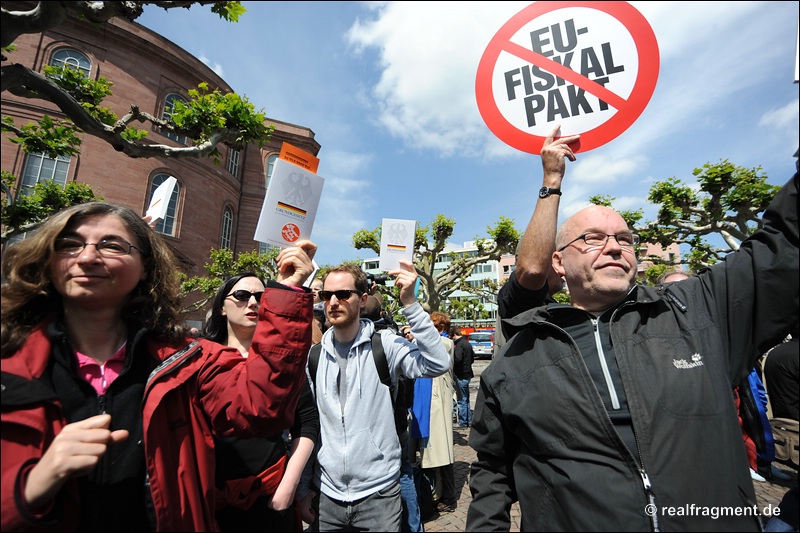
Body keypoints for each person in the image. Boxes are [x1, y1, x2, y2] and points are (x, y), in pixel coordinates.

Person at [466, 123, 799, 531]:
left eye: (624, 239)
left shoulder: (698, 313)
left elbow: (783, 246)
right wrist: (551, 180)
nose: (613, 246)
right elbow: (492, 473)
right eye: (591, 238)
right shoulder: (523, 349)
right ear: (559, 263)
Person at [0, 202, 315, 531]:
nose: (88, 257)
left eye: (112, 245)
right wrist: (32, 486)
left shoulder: (187, 360)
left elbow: (260, 407)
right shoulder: (11, 365)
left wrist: (288, 292)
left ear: (146, 266)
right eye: (69, 245)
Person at [305, 262, 450, 532]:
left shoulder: (384, 344)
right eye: (327, 296)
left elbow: (437, 363)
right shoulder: (314, 356)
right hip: (327, 496)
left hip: (379, 495)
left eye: (343, 294)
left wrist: (410, 303)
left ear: (361, 300)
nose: (333, 302)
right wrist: (304, 489)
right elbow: (308, 426)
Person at [204, 273, 320, 531]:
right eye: (243, 296)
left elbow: (307, 422)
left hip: (271, 497)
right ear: (222, 306)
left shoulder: (284, 365)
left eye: (262, 296)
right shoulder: (200, 360)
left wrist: (288, 487)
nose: (253, 303)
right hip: (211, 503)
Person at [421, 312, 457, 514]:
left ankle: (449, 497)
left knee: (442, 454)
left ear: (440, 329)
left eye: (430, 328)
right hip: (429, 403)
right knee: (432, 453)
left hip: (437, 403)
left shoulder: (446, 344)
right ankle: (434, 494)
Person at [451, 327, 475, 428]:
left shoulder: (459, 344)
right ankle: (468, 420)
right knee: (466, 399)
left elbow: (457, 359)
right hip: (468, 373)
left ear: (454, 335)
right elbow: (472, 358)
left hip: (461, 374)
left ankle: (463, 422)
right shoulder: (467, 343)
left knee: (461, 400)